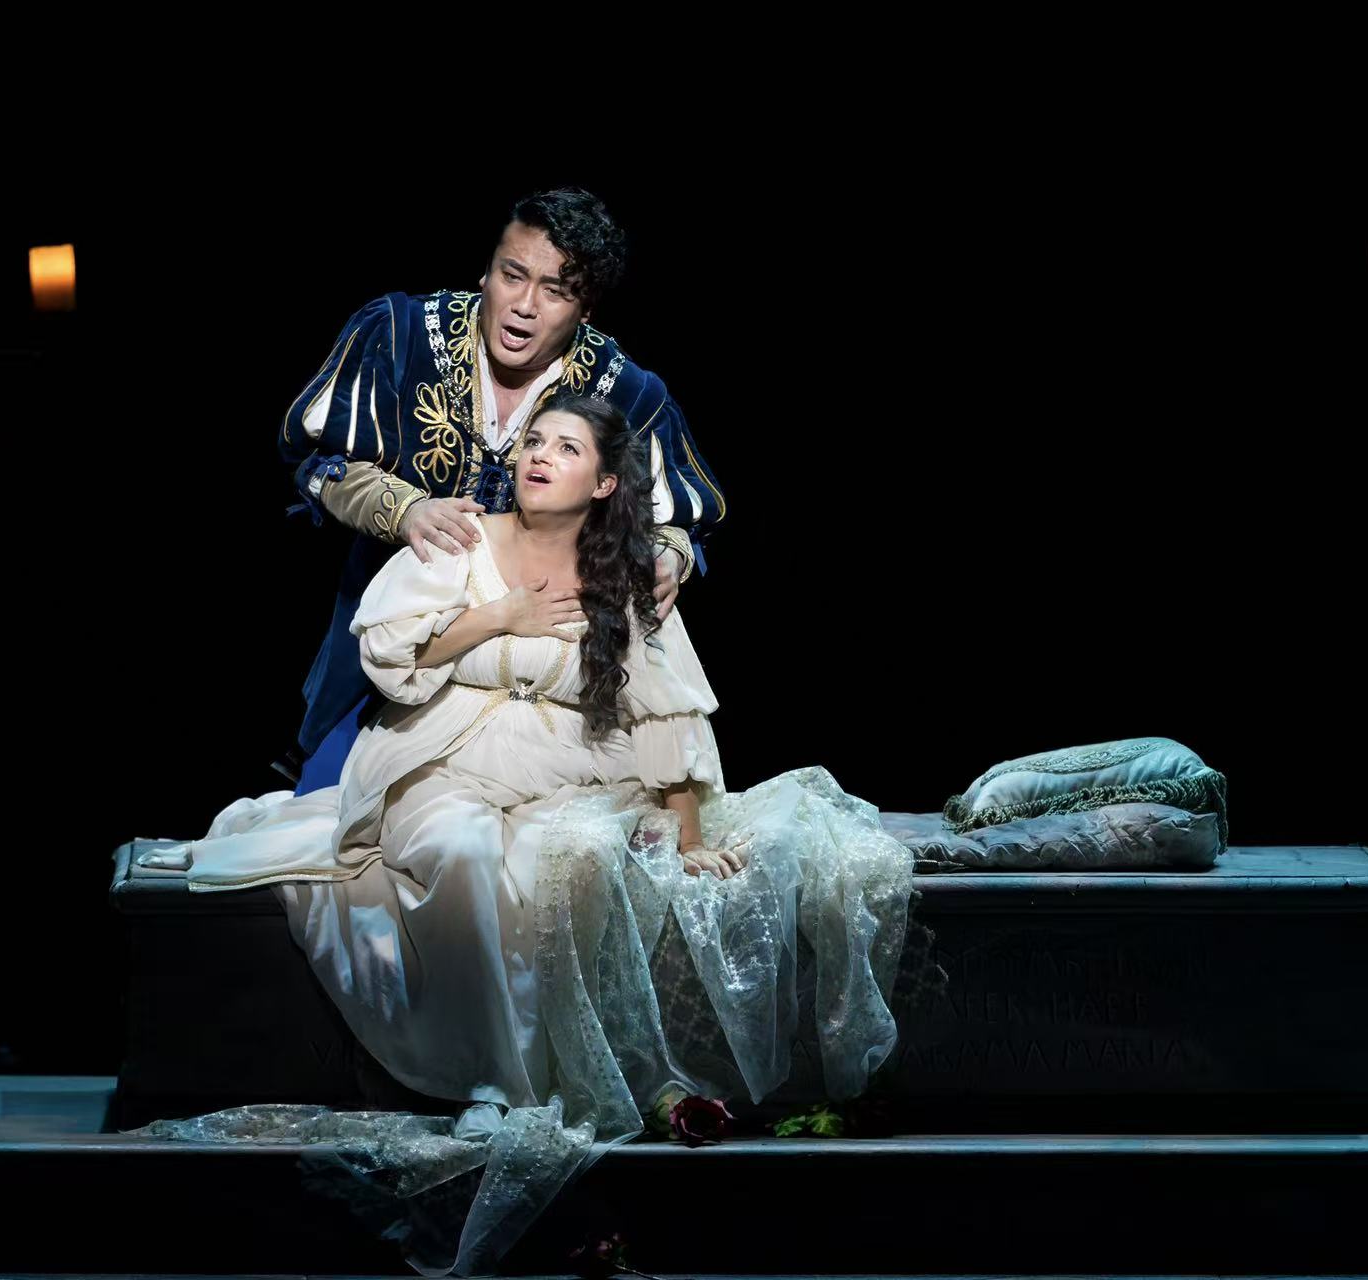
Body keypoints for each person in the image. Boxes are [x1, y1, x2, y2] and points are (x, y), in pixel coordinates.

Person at [134, 395, 911, 1277]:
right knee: (461, 850)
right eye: (534, 440)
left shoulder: (625, 573)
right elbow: (392, 657)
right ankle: (488, 1080)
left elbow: (667, 710)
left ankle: (531, 1076)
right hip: (443, 755)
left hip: (571, 769)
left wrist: (691, 831)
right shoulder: (462, 538)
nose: (540, 456)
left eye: (567, 448)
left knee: (555, 864)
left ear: (605, 482)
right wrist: (498, 618)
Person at [272, 187, 726, 796]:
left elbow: (676, 516)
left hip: (543, 670)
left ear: (585, 309)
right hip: (399, 629)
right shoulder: (403, 336)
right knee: (336, 805)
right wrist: (403, 509)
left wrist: (667, 555)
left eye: (555, 291)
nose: (525, 306)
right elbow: (317, 459)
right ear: (486, 272)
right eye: (513, 276)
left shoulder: (626, 392)